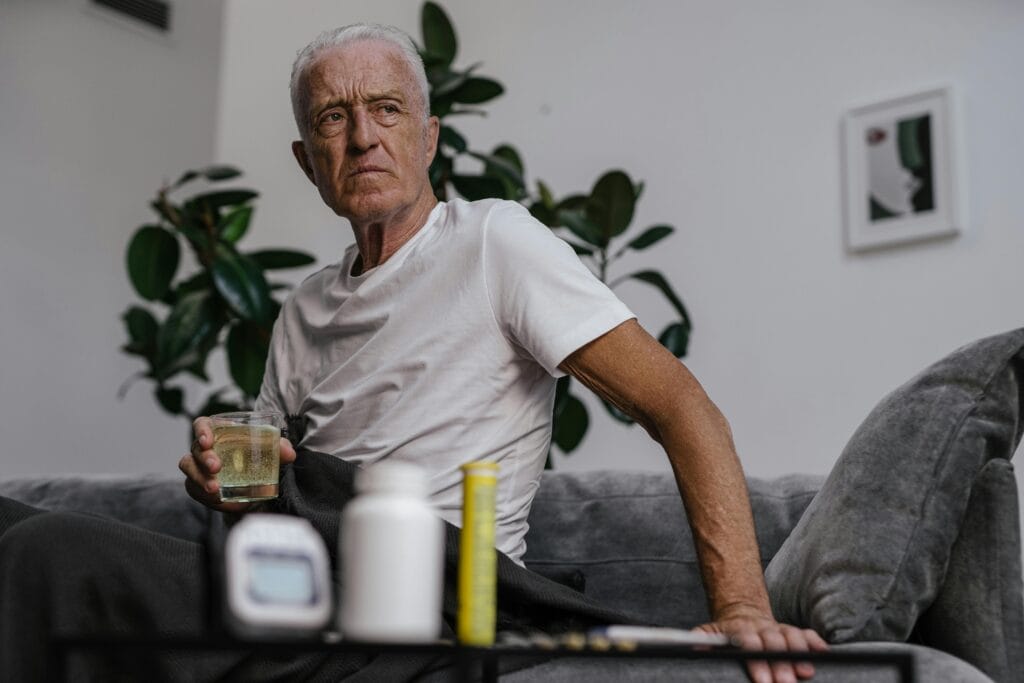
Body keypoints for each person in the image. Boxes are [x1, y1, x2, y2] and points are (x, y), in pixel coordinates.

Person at [0, 23, 824, 683]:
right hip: (302, 583)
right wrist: (227, 481)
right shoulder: (302, 305)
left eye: (387, 110)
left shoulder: (496, 244)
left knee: (49, 554)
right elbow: (271, 484)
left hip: (425, 603)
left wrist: (743, 607)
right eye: (334, 117)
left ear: (428, 138)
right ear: (308, 163)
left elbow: (681, 405)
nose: (363, 136)